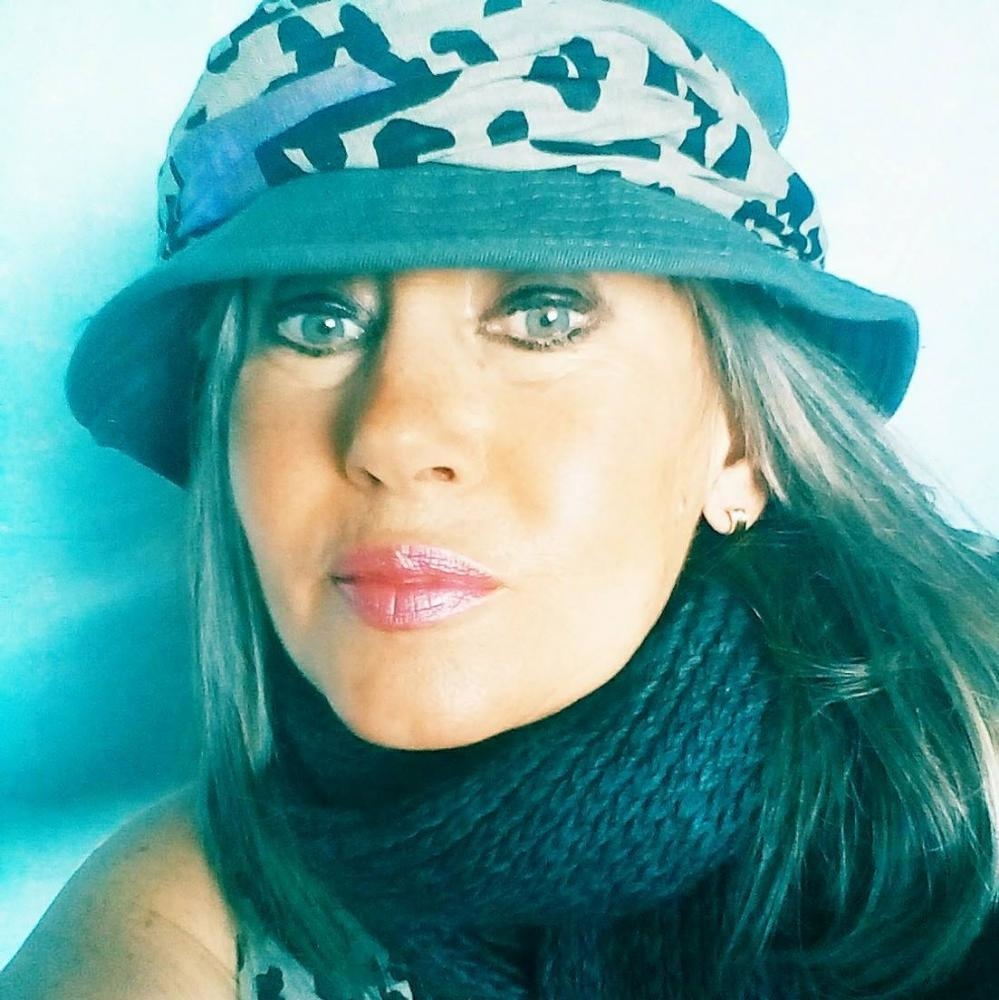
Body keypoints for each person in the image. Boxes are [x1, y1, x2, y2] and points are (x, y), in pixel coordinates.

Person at [3, 0, 998, 997]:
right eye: (317, 322)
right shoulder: (180, 919)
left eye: (542, 314)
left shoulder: (974, 782)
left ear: (740, 444)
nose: (394, 435)